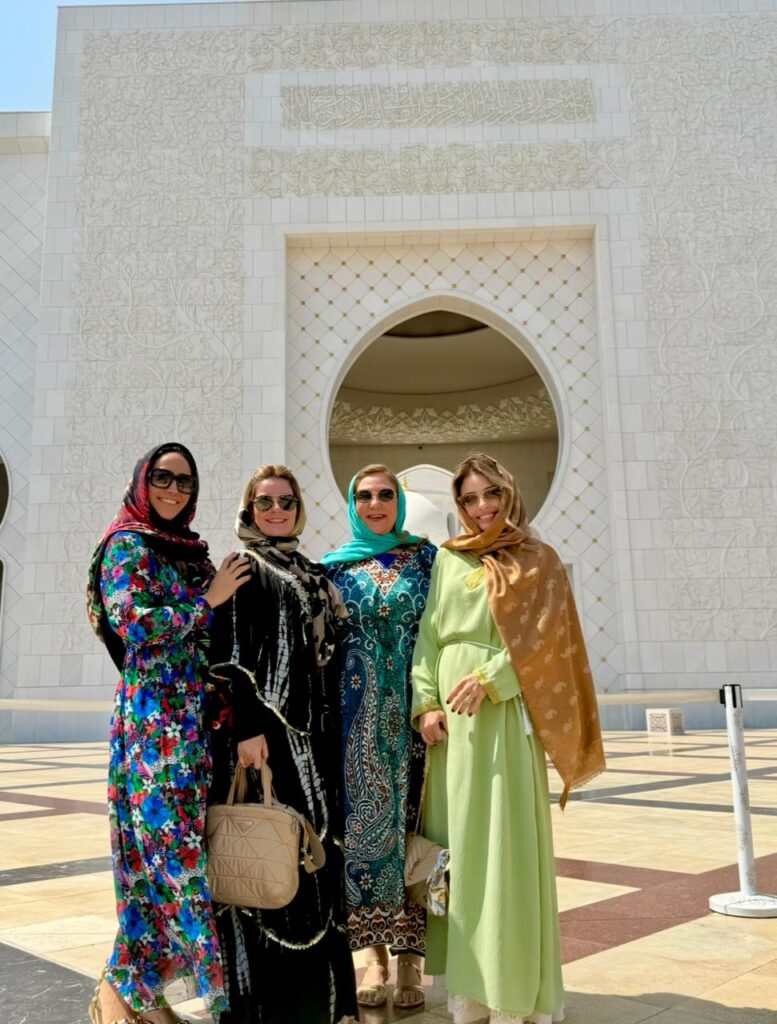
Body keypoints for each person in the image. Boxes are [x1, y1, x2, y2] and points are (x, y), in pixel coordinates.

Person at [411, 453, 606, 1024]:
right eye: (468, 499)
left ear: (509, 492)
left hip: (503, 721)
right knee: (462, 854)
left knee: (506, 849)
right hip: (453, 733)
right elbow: (430, 635)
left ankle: (517, 988)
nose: (481, 508)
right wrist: (425, 703)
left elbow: (550, 642)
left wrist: (493, 681)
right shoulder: (446, 559)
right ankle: (470, 991)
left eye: (490, 494)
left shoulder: (538, 560)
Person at [86, 442, 250, 1024]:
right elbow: (134, 623)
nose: (173, 491)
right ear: (141, 480)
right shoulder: (126, 545)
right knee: (168, 858)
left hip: (197, 726)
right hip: (155, 727)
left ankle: (129, 995)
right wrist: (207, 601)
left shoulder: (191, 553)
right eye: (162, 478)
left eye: (184, 482)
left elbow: (224, 627)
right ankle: (187, 990)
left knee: (164, 861)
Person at [208, 464, 358, 1024]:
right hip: (267, 739)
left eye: (286, 501)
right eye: (265, 502)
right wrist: (248, 728)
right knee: (272, 854)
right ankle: (271, 1004)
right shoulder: (246, 568)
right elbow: (232, 654)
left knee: (312, 856)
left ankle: (320, 1001)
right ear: (249, 510)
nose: (276, 510)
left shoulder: (310, 572)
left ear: (299, 508)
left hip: (313, 738)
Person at [323, 464, 436, 1010]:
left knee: (420, 830)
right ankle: (372, 958)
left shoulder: (428, 560)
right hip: (355, 721)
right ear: (352, 503)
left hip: (418, 718)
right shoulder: (332, 569)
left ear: (400, 502)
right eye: (363, 496)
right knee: (364, 839)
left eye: (385, 494)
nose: (374, 503)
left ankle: (413, 962)